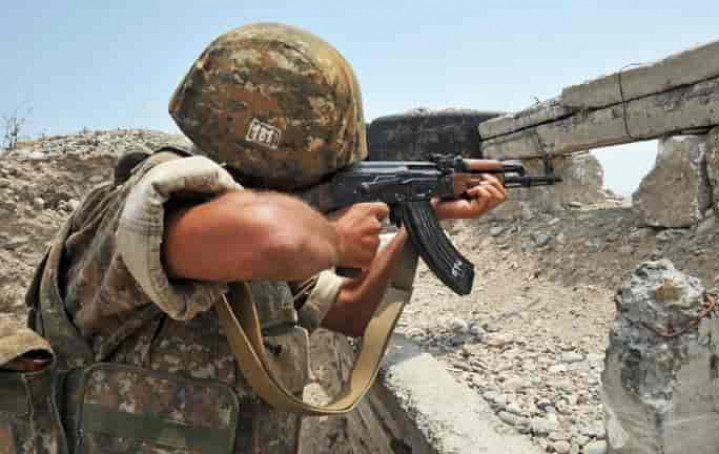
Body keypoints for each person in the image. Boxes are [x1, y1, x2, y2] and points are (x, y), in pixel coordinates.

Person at [1, 22, 507, 453]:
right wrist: (333, 238)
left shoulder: (249, 234)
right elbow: (275, 238)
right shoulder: (150, 201)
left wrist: (422, 219)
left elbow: (351, 312)